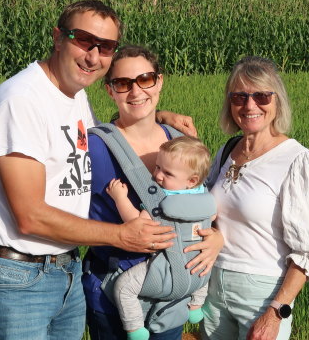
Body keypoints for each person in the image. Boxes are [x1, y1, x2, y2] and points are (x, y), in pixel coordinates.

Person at [0, 0, 195, 340]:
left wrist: (157, 116)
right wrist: (121, 236)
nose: (93, 56)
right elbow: (30, 216)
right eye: (83, 41)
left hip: (65, 270)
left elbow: (106, 137)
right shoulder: (22, 100)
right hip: (17, 278)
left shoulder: (74, 97)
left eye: (106, 47)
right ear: (58, 38)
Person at [83, 45, 223, 340]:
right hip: (115, 293)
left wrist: (216, 237)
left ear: (159, 81)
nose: (135, 92)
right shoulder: (94, 148)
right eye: (122, 83)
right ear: (110, 91)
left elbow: (199, 201)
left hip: (173, 292)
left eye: (144, 79)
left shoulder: (179, 141)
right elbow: (62, 213)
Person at [202, 56, 309, 340]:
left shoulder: (298, 161)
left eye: (261, 96)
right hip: (214, 288)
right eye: (239, 97)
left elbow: (307, 251)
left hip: (262, 294)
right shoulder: (227, 150)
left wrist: (276, 311)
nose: (250, 105)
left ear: (277, 101)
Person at [107, 136, 216, 340]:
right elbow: (212, 218)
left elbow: (135, 223)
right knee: (205, 273)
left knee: (124, 287)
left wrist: (120, 198)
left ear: (191, 180)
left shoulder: (162, 200)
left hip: (167, 264)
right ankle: (195, 306)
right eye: (157, 167)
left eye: (167, 173)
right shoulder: (204, 195)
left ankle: (135, 328)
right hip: (197, 265)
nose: (157, 176)